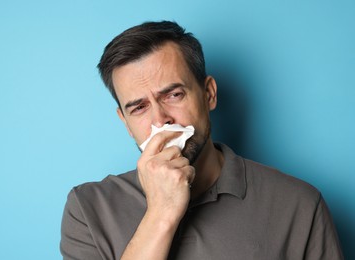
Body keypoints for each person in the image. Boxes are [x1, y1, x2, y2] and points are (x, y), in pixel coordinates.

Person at [60, 21, 343, 259]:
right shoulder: (88, 209)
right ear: (125, 122)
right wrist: (161, 213)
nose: (161, 121)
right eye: (139, 107)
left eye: (173, 95)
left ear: (209, 94)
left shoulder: (299, 205)